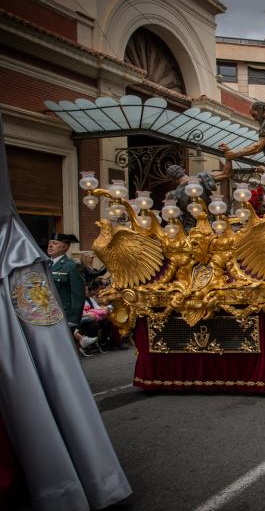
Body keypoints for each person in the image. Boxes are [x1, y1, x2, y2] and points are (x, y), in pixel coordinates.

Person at [0, 115, 132, 509]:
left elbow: (73, 296)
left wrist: (73, 321)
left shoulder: (46, 264)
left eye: (59, 245)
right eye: (54, 245)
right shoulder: (45, 262)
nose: (55, 248)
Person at [165, 160, 232, 228]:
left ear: (172, 179)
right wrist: (228, 157)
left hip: (194, 227)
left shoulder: (174, 194)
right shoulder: (202, 178)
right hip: (215, 222)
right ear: (183, 170)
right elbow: (226, 173)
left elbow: (173, 218)